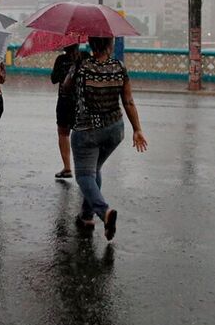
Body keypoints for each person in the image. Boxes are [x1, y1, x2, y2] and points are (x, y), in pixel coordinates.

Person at [62, 36, 148, 239]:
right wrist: (137, 129)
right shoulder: (119, 67)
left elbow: (65, 88)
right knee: (94, 169)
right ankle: (86, 216)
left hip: (87, 131)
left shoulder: (82, 66)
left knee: (84, 176)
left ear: (91, 45)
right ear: (110, 45)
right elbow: (128, 101)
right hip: (114, 130)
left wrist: (75, 66)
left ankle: (104, 212)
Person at [50, 43, 81, 179]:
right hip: (81, 102)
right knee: (81, 133)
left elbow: (53, 79)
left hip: (64, 100)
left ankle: (67, 167)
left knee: (63, 132)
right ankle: (83, 168)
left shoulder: (60, 60)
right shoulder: (84, 58)